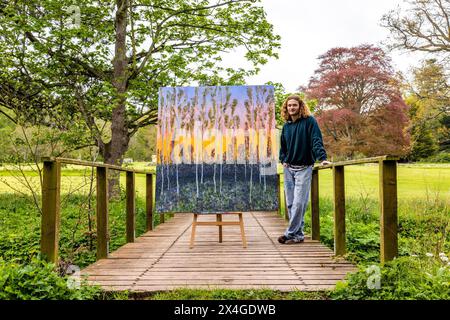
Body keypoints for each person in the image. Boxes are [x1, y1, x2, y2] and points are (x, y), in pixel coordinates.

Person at [278, 95, 331, 244]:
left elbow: (316, 140)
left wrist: (322, 158)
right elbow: (283, 146)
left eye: (294, 105)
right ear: (286, 108)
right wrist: (283, 160)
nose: (291, 108)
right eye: (289, 106)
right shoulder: (286, 126)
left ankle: (289, 234)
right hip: (289, 169)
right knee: (290, 203)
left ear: (300, 106)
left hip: (304, 168)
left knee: (299, 203)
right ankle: (298, 235)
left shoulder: (310, 122)